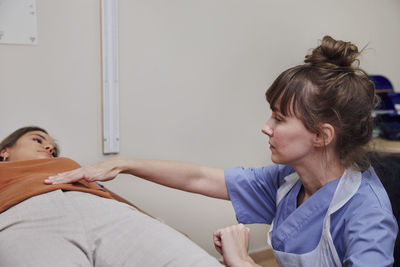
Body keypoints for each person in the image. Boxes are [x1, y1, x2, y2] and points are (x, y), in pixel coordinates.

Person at [45, 36, 398, 266]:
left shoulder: (368, 215)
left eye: (279, 118)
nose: (266, 127)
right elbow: (200, 177)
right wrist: (122, 165)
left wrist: (242, 262)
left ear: (322, 135)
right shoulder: (289, 182)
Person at [0, 126, 223, 267]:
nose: (49, 146)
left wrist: (162, 226)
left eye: (52, 147)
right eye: (38, 140)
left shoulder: (71, 169)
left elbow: (112, 198)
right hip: (24, 218)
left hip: (101, 210)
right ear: (5, 151)